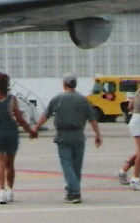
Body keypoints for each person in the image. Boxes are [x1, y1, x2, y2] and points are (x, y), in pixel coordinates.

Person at [33, 74, 102, 203]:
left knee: (66, 164)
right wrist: (98, 134)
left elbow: (46, 115)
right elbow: (92, 119)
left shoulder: (58, 98)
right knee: (77, 165)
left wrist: (35, 128)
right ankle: (72, 190)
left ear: (64, 84)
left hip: (63, 135)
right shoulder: (83, 99)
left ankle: (74, 192)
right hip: (79, 135)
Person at [0, 72, 37, 204]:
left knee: (0, 163)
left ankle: (1, 192)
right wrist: (30, 131)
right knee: (10, 164)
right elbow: (19, 118)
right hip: (11, 132)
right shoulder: (12, 99)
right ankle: (10, 190)